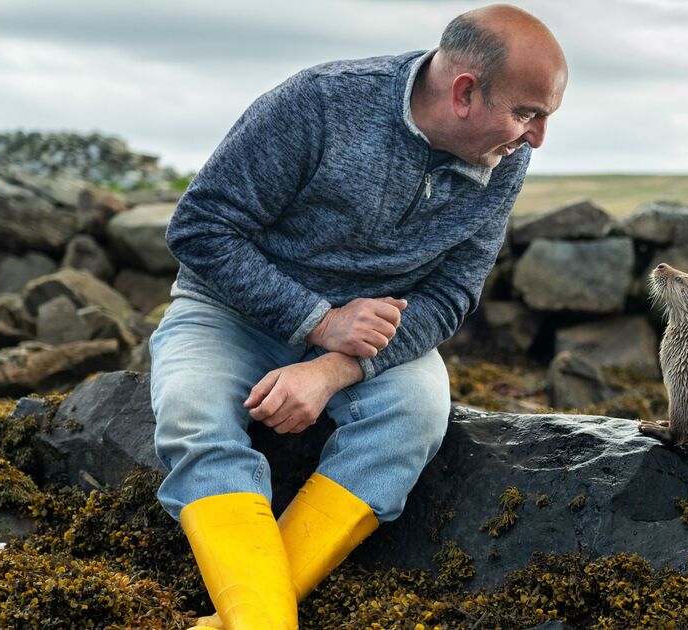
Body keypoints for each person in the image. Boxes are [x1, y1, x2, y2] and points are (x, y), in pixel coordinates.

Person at [147, 5, 567, 628]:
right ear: (464, 92)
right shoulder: (317, 104)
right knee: (192, 411)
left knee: (417, 413)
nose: (535, 138)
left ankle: (253, 615)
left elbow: (453, 292)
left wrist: (333, 368)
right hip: (226, 314)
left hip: (372, 337)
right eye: (528, 114)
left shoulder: (505, 153)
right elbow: (202, 229)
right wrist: (318, 321)